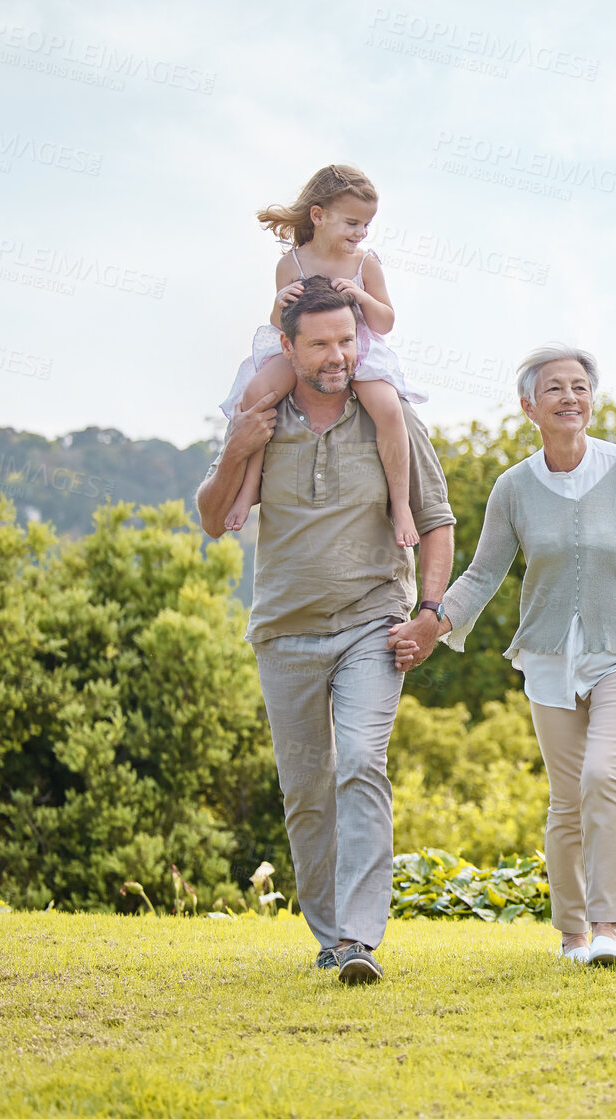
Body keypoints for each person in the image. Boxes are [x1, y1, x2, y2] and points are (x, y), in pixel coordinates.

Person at [195, 275, 456, 984]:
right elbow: (212, 516)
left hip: (371, 624)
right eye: (320, 343)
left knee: (361, 763)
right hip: (283, 632)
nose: (337, 354)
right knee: (306, 787)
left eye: (347, 339)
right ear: (287, 346)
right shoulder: (260, 413)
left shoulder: (387, 416)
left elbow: (436, 521)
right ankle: (329, 936)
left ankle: (359, 936)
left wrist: (429, 613)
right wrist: (232, 451)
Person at [426, 344, 616, 967]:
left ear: (592, 399)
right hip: (550, 654)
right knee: (565, 799)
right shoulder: (513, 488)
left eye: (579, 386)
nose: (570, 397)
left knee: (603, 773)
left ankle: (607, 928)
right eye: (554, 388)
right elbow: (484, 570)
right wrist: (433, 621)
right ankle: (572, 935)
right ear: (529, 406)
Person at [219, 164, 426, 547]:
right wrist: (278, 303)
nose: (360, 233)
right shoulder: (292, 263)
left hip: (357, 347)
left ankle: (400, 504)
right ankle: (249, 488)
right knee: (255, 395)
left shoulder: (365, 263)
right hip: (306, 349)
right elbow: (283, 324)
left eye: (366, 225)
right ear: (318, 216)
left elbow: (385, 322)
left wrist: (360, 295)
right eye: (351, 223)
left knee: (388, 408)